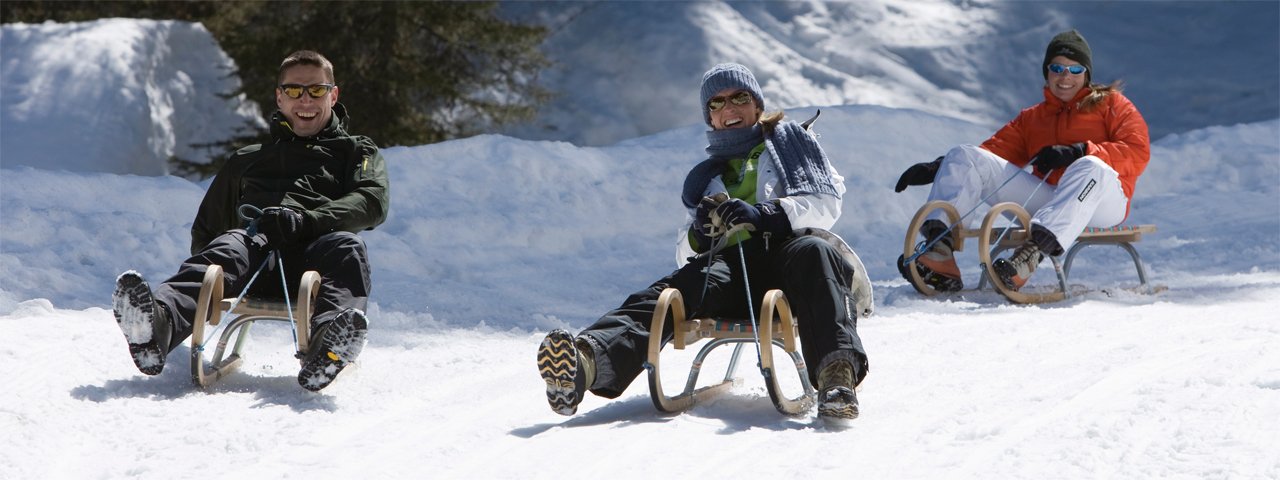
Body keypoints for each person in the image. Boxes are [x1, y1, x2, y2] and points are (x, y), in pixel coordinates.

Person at [537, 63, 869, 425]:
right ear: (709, 117)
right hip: (731, 267)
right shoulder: (705, 177)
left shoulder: (793, 144)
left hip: (789, 256)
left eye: (740, 97)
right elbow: (685, 252)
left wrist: (765, 214)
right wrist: (701, 232)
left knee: (816, 253)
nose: (729, 108)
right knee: (676, 288)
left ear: (756, 105)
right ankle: (585, 363)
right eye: (717, 102)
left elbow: (826, 204)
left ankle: (837, 379)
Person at [111, 50, 390, 391]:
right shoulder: (248, 159)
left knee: (348, 246)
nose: (305, 100)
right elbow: (207, 229)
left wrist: (307, 222)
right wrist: (222, 271)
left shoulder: (355, 151)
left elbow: (371, 201)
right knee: (228, 244)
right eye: (293, 90)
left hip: (317, 259)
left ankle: (329, 348)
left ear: (333, 95)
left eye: (316, 90)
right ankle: (157, 327)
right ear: (279, 96)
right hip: (253, 259)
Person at [895, 29, 1150, 292]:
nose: (1065, 77)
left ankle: (1028, 258)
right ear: (1046, 71)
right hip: (1049, 203)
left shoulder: (1113, 105)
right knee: (964, 154)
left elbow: (1137, 151)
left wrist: (1080, 151)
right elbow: (992, 153)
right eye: (1057, 68)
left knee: (1091, 166)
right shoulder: (1032, 118)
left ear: (1086, 74)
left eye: (1075, 70)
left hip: (1102, 202)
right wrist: (941, 166)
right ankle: (940, 253)